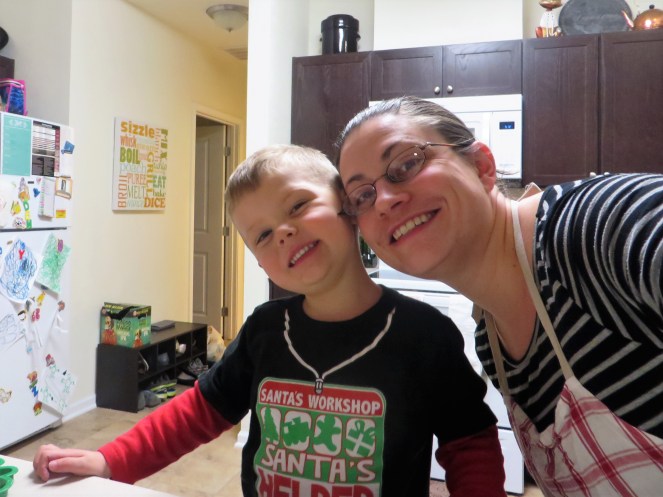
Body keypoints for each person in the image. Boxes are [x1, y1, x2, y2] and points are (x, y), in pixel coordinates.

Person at [33, 144, 507, 497]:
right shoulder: (265, 330)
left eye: (298, 206)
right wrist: (109, 459)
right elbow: (197, 412)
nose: (282, 232)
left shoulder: (424, 335)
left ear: (347, 206)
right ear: (262, 264)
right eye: (261, 235)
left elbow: (470, 444)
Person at [334, 96, 663, 496]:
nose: (385, 201)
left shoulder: (593, 226)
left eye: (406, 164)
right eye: (362, 197)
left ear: (481, 167)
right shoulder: (491, 344)